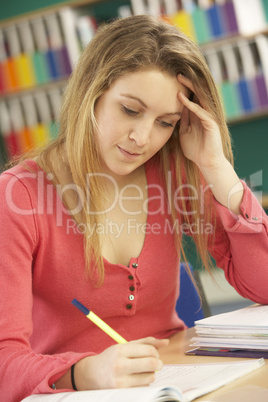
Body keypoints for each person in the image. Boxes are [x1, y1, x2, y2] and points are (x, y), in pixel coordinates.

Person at [0, 14, 268, 401]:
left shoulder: (173, 174)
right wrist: (84, 372)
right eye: (130, 110)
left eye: (165, 122)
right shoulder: (18, 198)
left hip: (180, 384)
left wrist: (216, 167)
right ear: (91, 93)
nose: (142, 138)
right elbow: (5, 361)